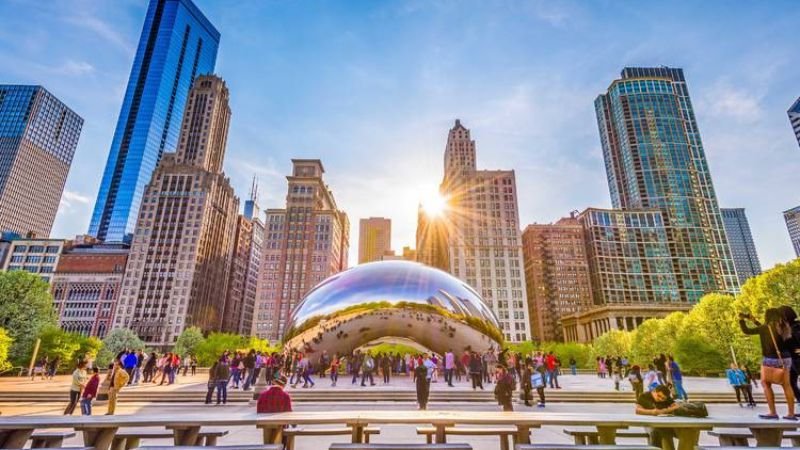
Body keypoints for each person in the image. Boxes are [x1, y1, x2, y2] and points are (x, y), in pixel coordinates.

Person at [740, 309, 797, 420]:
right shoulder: (785, 326)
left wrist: (742, 320)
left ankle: (772, 412)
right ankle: (791, 414)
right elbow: (771, 332)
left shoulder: (765, 328)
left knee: (766, 383)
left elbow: (747, 331)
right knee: (787, 385)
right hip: (786, 359)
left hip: (770, 359)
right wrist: (755, 321)